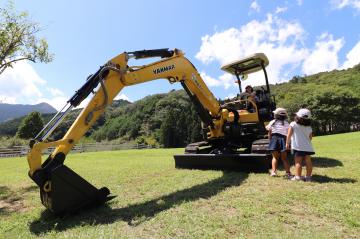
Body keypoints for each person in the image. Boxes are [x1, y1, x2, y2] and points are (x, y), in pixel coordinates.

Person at [286, 108, 315, 182]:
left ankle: (298, 177)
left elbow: (289, 135)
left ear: (297, 117)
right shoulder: (309, 127)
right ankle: (308, 177)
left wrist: (287, 143)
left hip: (298, 147)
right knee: (308, 162)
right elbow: (310, 137)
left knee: (298, 162)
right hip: (308, 147)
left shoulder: (293, 124)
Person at [266, 108, 292, 178]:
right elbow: (288, 134)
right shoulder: (286, 123)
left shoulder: (272, 122)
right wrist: (288, 143)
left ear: (276, 115)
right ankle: (288, 173)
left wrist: (270, 141)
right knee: (284, 158)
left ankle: (273, 172)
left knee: (274, 157)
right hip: (283, 140)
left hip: (274, 140)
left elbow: (269, 133)